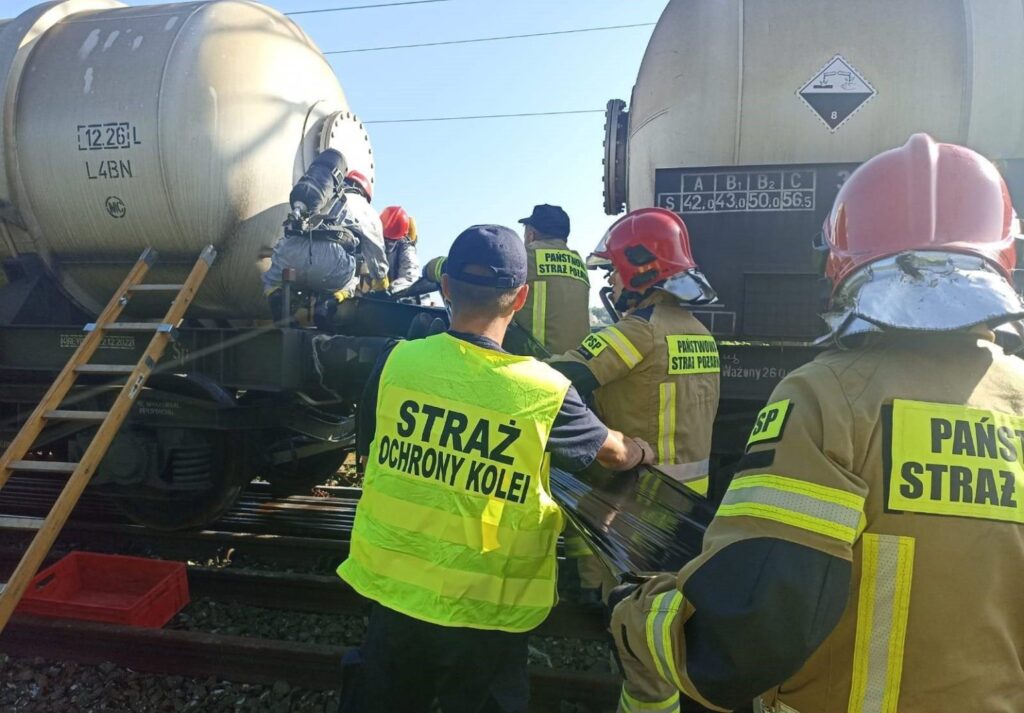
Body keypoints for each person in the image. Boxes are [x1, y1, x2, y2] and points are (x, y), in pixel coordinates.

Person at [609, 134, 1024, 713]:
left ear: (839, 262)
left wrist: (637, 615)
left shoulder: (830, 395)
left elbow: (747, 633)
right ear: (1003, 254)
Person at [338, 224, 656, 713]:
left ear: (446, 288)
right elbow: (609, 453)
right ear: (520, 298)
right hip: (488, 609)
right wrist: (640, 449)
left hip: (395, 594)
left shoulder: (395, 362)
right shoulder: (543, 391)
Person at [548, 208, 720, 497]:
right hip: (691, 491)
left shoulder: (642, 331)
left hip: (642, 488)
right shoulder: (701, 333)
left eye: (614, 269)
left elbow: (565, 375)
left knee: (577, 543)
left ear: (639, 269)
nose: (610, 280)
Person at [262, 155, 388, 326]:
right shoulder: (365, 208)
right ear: (365, 193)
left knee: (272, 281)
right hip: (331, 261)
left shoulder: (322, 197)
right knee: (351, 281)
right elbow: (376, 251)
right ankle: (327, 306)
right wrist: (380, 282)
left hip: (290, 253)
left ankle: (280, 306)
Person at [515, 204, 591, 353]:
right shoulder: (578, 263)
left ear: (531, 234)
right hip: (577, 363)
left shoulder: (525, 257)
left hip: (537, 362)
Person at [379, 205, 421, 293]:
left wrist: (390, 290)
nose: (388, 243)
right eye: (385, 239)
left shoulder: (406, 249)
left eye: (392, 240)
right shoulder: (371, 241)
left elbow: (410, 276)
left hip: (397, 297)